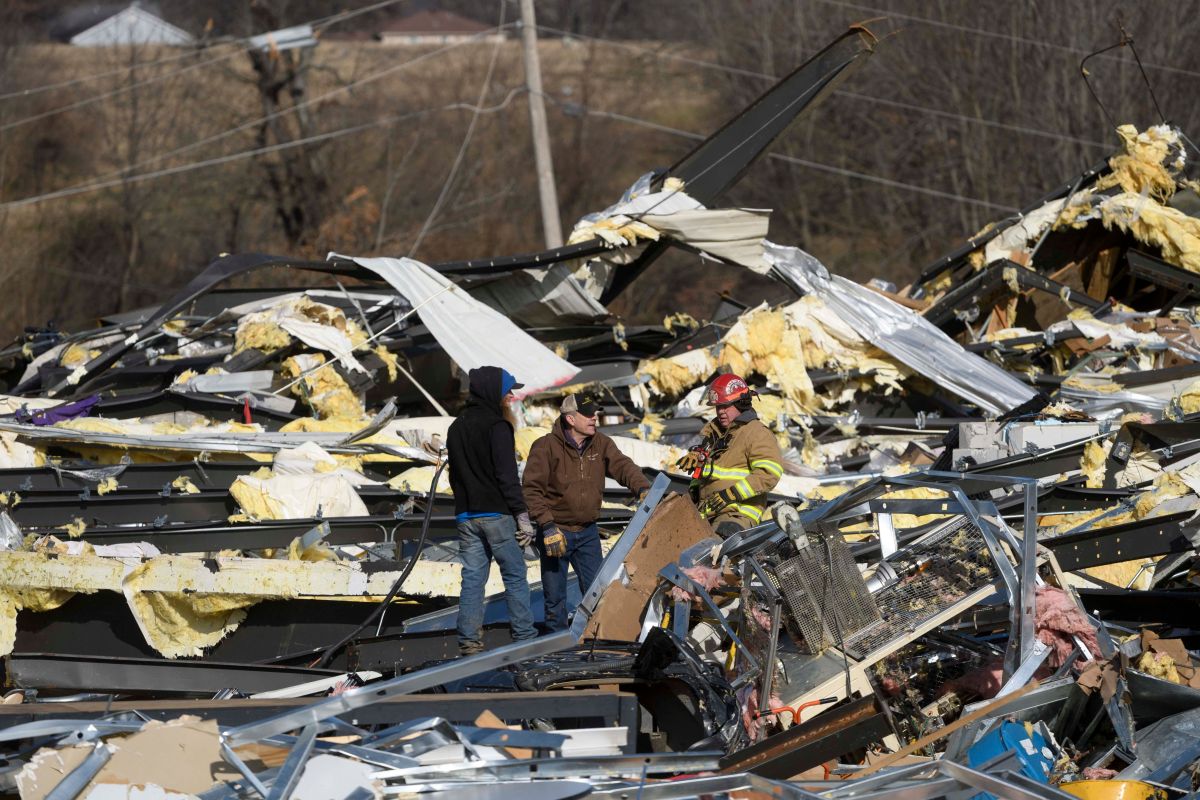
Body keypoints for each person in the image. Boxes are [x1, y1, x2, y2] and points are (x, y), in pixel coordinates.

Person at [523, 393, 651, 631]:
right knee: (554, 599)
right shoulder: (545, 447)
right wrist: (547, 525)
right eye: (588, 414)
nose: (595, 418)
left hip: (587, 533)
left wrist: (643, 487)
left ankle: (595, 641)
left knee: (598, 595)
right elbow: (531, 490)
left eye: (595, 413)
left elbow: (623, 466)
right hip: (555, 531)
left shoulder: (600, 443)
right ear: (571, 419)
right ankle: (557, 649)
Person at [446, 365, 538, 655]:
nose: (511, 396)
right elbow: (507, 476)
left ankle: (469, 641)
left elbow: (454, 476)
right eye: (507, 390)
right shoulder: (498, 427)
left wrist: (464, 506)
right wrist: (523, 517)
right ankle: (525, 638)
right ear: (493, 392)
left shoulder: (456, 426)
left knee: (473, 579)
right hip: (497, 515)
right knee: (514, 575)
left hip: (466, 516)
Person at [676, 373, 784, 537]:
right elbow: (717, 469)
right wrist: (697, 458)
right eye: (718, 407)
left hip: (736, 515)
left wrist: (731, 494)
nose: (721, 412)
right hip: (707, 514)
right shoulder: (716, 434)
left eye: (726, 406)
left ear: (741, 403)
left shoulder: (756, 433)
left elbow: (768, 474)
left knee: (715, 555)